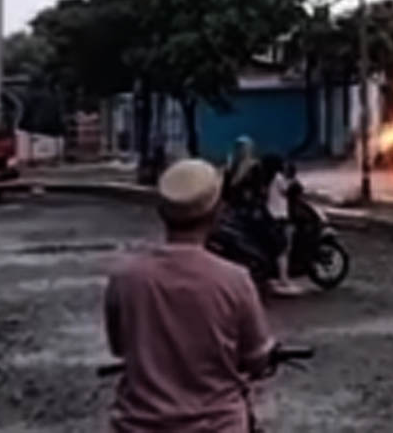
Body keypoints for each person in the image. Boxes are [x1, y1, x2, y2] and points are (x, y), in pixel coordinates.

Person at [104, 158, 275, 433]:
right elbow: (256, 355)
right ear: (217, 212)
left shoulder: (125, 277)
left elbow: (120, 347)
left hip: (137, 425)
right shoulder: (234, 280)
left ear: (161, 212)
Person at [263, 155, 304, 296]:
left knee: (277, 250)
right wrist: (293, 179)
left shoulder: (268, 178)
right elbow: (289, 190)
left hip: (271, 216)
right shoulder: (278, 178)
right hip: (280, 217)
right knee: (283, 250)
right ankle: (284, 280)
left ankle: (277, 278)